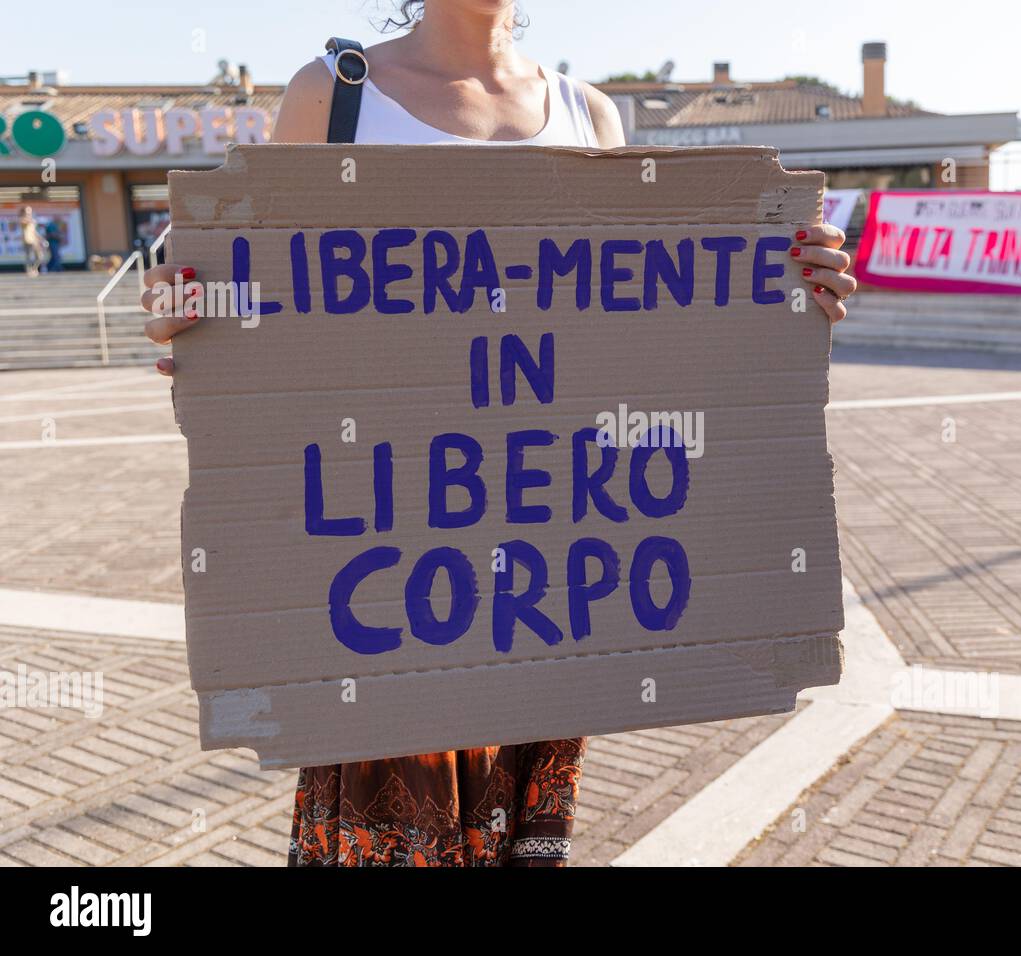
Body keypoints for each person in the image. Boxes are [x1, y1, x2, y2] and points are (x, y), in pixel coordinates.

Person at [140, 0, 857, 867]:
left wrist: (783, 287)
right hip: (384, 554)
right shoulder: (334, 96)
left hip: (544, 553)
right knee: (400, 831)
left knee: (526, 840)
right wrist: (195, 313)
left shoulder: (590, 111)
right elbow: (236, 280)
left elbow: (628, 326)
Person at [19, 206, 42, 278]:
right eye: (27, 211)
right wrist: (31, 220)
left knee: (39, 256)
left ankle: (34, 269)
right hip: (27, 241)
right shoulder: (23, 219)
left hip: (34, 240)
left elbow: (34, 231)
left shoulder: (32, 220)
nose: (29, 213)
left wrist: (41, 239)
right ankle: (29, 271)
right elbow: (24, 223)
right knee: (29, 257)